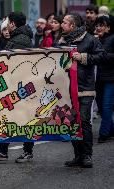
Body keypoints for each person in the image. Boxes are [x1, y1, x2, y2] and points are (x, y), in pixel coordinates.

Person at [0, 12, 34, 163]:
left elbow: (12, 63)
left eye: (7, 21)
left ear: (12, 24)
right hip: (13, 84)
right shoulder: (16, 37)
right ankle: (3, 151)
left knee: (24, 119)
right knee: (6, 117)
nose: (5, 24)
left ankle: (26, 152)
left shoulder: (21, 40)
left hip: (19, 86)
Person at [58, 14, 106, 168]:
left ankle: (87, 156)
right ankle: (78, 156)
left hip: (84, 88)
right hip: (66, 89)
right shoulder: (61, 40)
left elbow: (101, 56)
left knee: (84, 121)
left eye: (64, 22)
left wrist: (83, 57)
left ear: (72, 25)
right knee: (71, 122)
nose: (61, 25)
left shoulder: (90, 39)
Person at [94, 16, 114, 143]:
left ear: (109, 27)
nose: (98, 28)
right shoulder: (95, 40)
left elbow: (103, 55)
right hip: (98, 78)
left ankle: (104, 133)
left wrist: (103, 55)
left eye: (101, 25)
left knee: (107, 106)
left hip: (111, 78)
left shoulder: (113, 38)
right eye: (97, 25)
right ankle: (111, 129)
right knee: (101, 107)